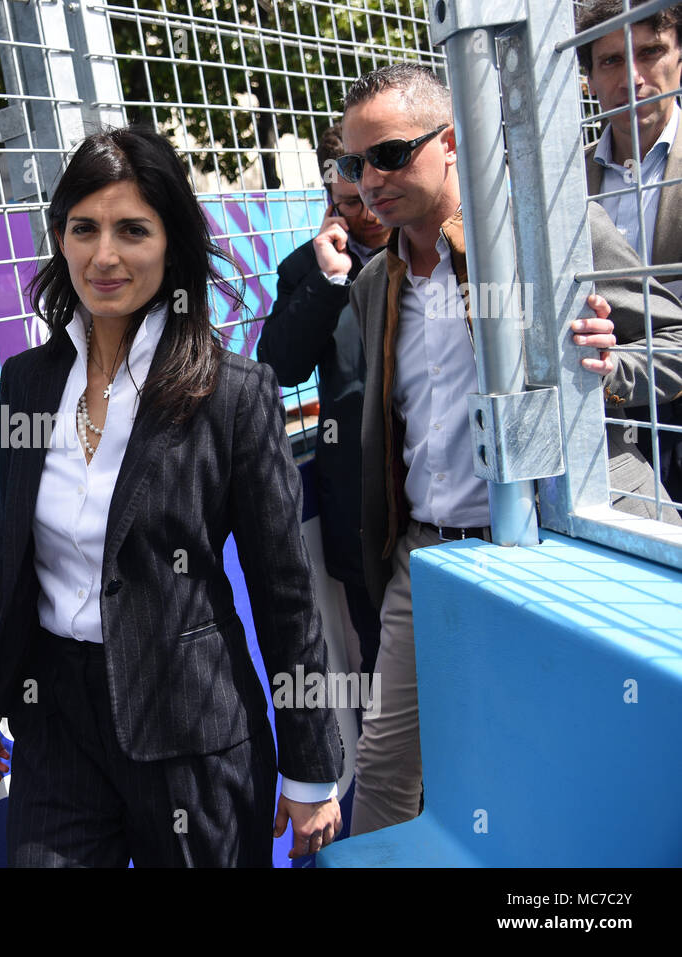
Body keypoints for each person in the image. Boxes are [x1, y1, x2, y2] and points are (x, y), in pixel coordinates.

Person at [0, 125, 344, 867]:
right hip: (58, 725)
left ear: (172, 246)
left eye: (133, 230)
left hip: (193, 730)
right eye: (84, 229)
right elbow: (16, 564)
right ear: (60, 238)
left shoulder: (232, 393)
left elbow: (285, 594)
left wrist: (310, 763)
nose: (104, 256)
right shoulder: (27, 382)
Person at [336, 63, 682, 835]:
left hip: (550, 554)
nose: (368, 181)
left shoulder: (547, 234)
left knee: (580, 766)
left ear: (452, 143)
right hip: (422, 564)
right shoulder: (374, 285)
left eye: (389, 154)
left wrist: (611, 368)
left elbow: (674, 336)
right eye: (352, 164)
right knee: (386, 776)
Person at [257, 123, 389, 688]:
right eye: (348, 202)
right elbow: (280, 367)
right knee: (383, 664)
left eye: (372, 195)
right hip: (363, 506)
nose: (368, 212)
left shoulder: (441, 247)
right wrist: (327, 280)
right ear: (328, 200)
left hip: (448, 500)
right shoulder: (305, 268)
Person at [578, 0, 682, 502]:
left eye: (651, 51)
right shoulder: (562, 186)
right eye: (611, 61)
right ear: (589, 80)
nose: (633, 77)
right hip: (603, 421)